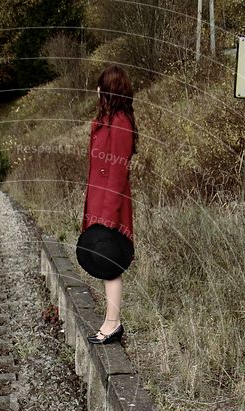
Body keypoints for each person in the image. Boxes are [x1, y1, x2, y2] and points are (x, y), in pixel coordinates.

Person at [81, 64, 138, 344]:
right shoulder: (107, 120)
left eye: (100, 85)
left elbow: (118, 173)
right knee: (105, 263)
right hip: (100, 201)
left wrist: (107, 217)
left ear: (109, 89)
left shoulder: (121, 123)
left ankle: (113, 323)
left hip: (111, 206)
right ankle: (110, 320)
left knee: (111, 262)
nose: (96, 90)